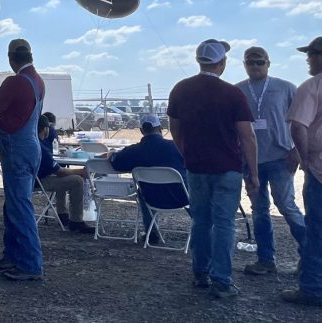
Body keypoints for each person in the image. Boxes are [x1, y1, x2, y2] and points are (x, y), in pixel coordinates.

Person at [167, 38, 259, 298]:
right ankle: (222, 280)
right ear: (222, 63)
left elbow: (175, 129)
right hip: (228, 167)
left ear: (199, 61)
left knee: (201, 221)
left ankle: (200, 272)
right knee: (224, 224)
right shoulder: (233, 94)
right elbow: (247, 136)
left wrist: (187, 152)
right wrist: (253, 172)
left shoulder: (180, 90)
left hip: (196, 167)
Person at [232, 46, 307, 275]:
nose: (255, 66)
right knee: (259, 210)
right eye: (250, 62)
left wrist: (296, 151)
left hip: (280, 156)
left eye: (260, 62)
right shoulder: (238, 91)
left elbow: (302, 121)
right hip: (251, 160)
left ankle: (311, 256)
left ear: (268, 63)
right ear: (244, 64)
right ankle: (265, 260)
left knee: (286, 205)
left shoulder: (285, 88)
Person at [0, 38, 45, 281]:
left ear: (11, 59)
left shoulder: (15, 81)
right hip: (30, 146)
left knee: (20, 206)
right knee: (15, 204)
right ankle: (13, 256)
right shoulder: (37, 81)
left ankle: (30, 264)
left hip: (17, 149)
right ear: (30, 56)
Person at [282, 36, 322, 307]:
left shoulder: (312, 86)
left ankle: (312, 289)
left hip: (320, 172)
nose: (308, 58)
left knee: (317, 231)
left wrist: (306, 160)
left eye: (312, 54)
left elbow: (298, 126)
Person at [107, 113, 186, 242]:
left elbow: (117, 164)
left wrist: (111, 154)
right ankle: (201, 228)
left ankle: (152, 233)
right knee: (195, 191)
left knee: (142, 191)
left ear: (141, 131)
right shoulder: (176, 147)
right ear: (160, 128)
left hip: (152, 198)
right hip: (181, 196)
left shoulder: (134, 151)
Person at [36, 115, 93, 234]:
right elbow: (60, 171)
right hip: (40, 181)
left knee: (66, 178)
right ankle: (76, 221)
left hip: (33, 179)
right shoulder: (40, 147)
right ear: (45, 129)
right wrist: (82, 172)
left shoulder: (33, 143)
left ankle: (63, 213)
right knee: (77, 180)